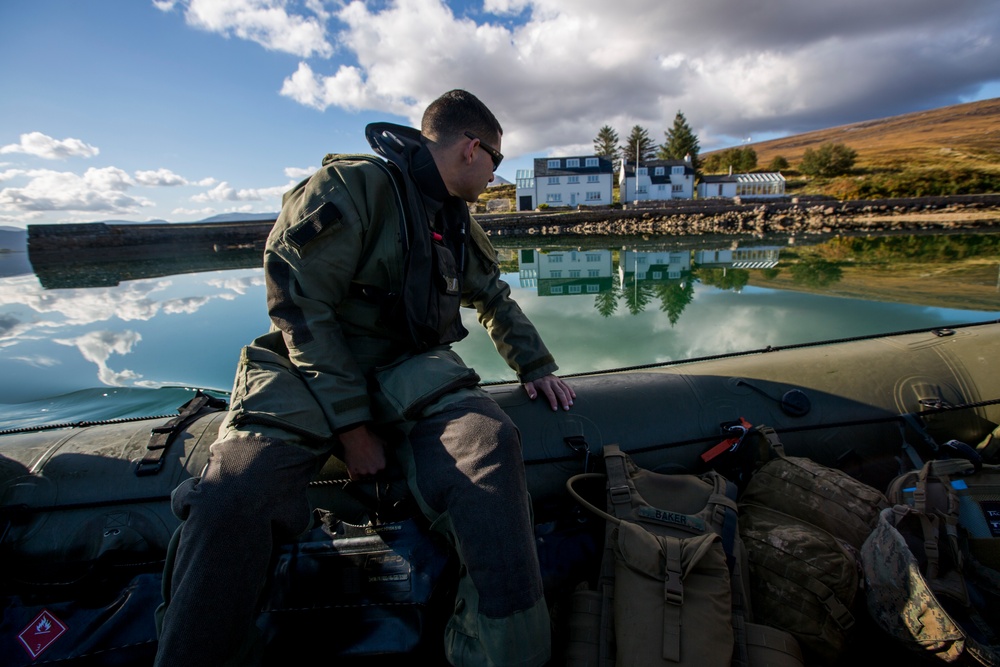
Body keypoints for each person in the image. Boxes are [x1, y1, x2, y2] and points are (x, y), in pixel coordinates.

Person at [154, 89, 575, 667]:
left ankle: (501, 651)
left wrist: (536, 367)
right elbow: (300, 306)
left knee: (490, 445)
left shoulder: (453, 219)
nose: (496, 173)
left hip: (408, 367)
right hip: (309, 366)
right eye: (497, 161)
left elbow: (492, 297)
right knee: (231, 494)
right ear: (473, 149)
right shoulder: (351, 188)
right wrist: (353, 429)